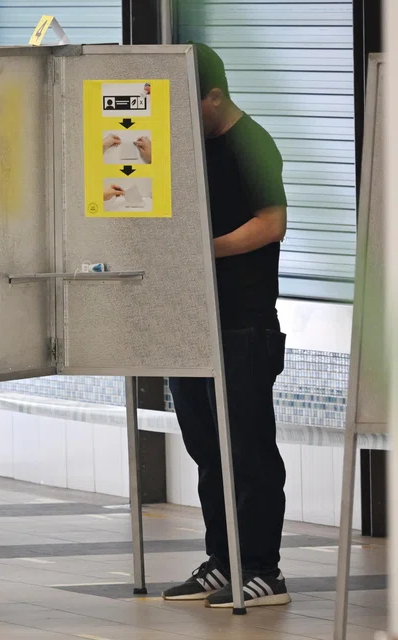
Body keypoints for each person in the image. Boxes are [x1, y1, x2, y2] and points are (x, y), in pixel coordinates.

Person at [162, 43, 290, 609]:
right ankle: (223, 558)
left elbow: (272, 223)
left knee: (249, 449)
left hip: (244, 321)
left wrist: (205, 249)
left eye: (195, 105)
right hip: (191, 316)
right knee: (206, 447)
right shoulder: (190, 145)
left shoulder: (252, 143)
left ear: (216, 95)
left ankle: (264, 567)